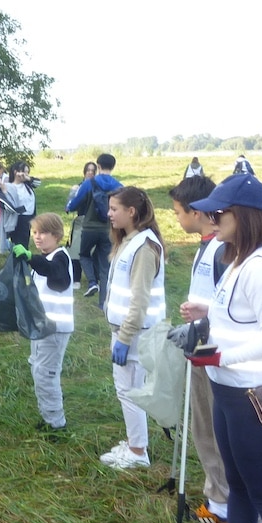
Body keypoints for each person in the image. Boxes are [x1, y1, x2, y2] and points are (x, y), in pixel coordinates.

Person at [186, 174, 262, 523]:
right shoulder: (237, 257)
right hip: (230, 390)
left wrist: (219, 357)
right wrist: (208, 311)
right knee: (237, 484)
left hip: (257, 394)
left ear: (245, 216)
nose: (211, 221)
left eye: (218, 213)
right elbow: (239, 313)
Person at [170, 176, 262, 523]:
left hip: (223, 360)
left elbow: (236, 315)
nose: (178, 218)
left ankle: (252, 521)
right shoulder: (209, 247)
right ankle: (222, 500)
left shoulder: (226, 254)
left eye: (179, 212)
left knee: (227, 438)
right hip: (207, 352)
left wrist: (205, 337)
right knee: (207, 429)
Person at [100, 186, 165, 470]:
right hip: (127, 331)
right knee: (126, 389)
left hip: (137, 334)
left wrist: (125, 338)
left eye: (114, 209)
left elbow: (140, 300)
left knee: (130, 391)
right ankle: (134, 442)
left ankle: (138, 452)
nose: (109, 214)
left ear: (131, 212)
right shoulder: (130, 240)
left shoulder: (144, 248)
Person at [11, 213, 74, 434]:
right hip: (41, 327)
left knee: (46, 374)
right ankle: (48, 416)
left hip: (55, 329)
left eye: (43, 233)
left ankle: (57, 424)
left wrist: (30, 257)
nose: (37, 237)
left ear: (56, 235)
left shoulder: (60, 258)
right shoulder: (45, 257)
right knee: (38, 370)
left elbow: (55, 273)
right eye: (35, 232)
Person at [66, 153, 122, 306]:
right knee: (105, 266)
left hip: (89, 228)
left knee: (83, 255)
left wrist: (68, 207)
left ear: (98, 166)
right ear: (113, 166)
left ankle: (92, 282)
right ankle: (103, 302)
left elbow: (75, 202)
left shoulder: (89, 183)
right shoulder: (119, 186)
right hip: (108, 230)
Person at [66, 161, 97, 290]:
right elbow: (69, 206)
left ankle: (95, 278)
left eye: (92, 170)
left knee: (95, 252)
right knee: (75, 251)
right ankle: (76, 278)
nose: (90, 172)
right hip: (81, 221)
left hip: (96, 223)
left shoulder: (99, 187)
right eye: (88, 170)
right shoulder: (78, 187)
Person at [4, 161, 37, 247]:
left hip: (29, 218)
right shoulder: (10, 186)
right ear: (16, 172)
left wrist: (28, 178)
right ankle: (18, 259)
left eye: (27, 172)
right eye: (24, 172)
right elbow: (8, 203)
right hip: (18, 219)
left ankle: (23, 259)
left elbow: (38, 183)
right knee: (19, 243)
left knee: (25, 242)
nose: (26, 175)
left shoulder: (27, 185)